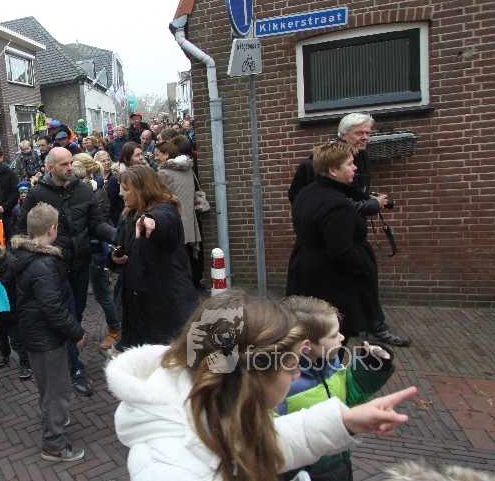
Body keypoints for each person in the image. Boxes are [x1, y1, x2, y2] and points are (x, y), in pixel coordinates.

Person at [106, 290, 418, 481]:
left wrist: (345, 422)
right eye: (291, 364)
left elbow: (263, 443)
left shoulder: (212, 402)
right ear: (253, 375)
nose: (297, 375)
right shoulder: (169, 470)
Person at [287, 113, 409, 348]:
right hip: (329, 253)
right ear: (343, 135)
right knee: (330, 317)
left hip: (325, 248)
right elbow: (327, 205)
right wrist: (361, 266)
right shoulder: (319, 165)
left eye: (368, 133)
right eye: (359, 133)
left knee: (321, 316)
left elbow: (345, 194)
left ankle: (369, 325)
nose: (365, 137)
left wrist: (369, 199)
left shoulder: (359, 158)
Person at [16, 147, 117, 397]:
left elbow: (96, 224)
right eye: (63, 164)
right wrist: (29, 256)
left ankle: (68, 355)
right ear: (50, 168)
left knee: (77, 314)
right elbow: (21, 227)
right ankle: (74, 368)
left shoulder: (83, 189)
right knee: (66, 315)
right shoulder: (38, 193)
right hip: (54, 268)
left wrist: (119, 236)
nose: (70, 167)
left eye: (71, 162)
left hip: (80, 265)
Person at [278, 295, 395, 481]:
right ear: (306, 346)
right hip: (306, 472)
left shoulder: (329, 362)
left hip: (338, 461)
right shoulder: (281, 387)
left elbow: (348, 393)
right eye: (333, 335)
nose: (342, 337)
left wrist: (372, 363)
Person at [286, 142, 386, 342]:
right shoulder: (337, 204)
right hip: (332, 282)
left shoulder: (307, 193)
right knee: (331, 339)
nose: (355, 168)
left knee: (312, 333)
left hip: (306, 271)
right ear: (332, 170)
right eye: (349, 164)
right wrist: (363, 268)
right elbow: (341, 251)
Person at [10, 202, 86, 462]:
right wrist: (76, 332)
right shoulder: (44, 264)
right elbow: (53, 308)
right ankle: (53, 443)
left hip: (34, 333)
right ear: (52, 229)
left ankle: (53, 421)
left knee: (47, 385)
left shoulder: (25, 256)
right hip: (46, 337)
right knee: (58, 390)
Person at [110, 165, 198, 348]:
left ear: (142, 189)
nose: (120, 193)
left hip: (165, 307)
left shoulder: (166, 211)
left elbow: (164, 220)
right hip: (136, 305)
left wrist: (152, 220)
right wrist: (114, 257)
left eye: (125, 189)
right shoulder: (127, 216)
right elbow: (124, 246)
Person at [72, 153, 121, 352]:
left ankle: (115, 329)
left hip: (94, 249)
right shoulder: (90, 189)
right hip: (87, 249)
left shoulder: (95, 192)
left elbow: (97, 221)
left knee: (102, 294)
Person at [154, 139, 204, 290]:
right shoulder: (188, 169)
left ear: (166, 154)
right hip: (190, 219)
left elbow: (158, 197)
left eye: (157, 154)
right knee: (189, 255)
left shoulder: (164, 173)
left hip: (174, 221)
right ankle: (193, 283)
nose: (155, 157)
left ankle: (182, 287)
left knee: (176, 259)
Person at [0, 244, 31, 379]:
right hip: (1, 316)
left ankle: (25, 363)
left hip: (11, 316)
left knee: (16, 341)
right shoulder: (11, 268)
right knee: (2, 339)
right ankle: (4, 354)